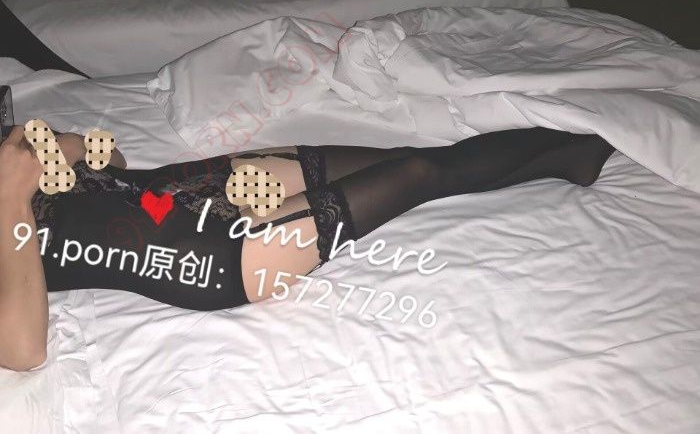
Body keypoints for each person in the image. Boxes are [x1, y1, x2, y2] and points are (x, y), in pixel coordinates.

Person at [0, 124, 616, 371]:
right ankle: (579, 149)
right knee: (418, 175)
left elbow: (113, 161)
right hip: (207, 254)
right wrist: (13, 196)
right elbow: (24, 351)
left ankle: (566, 156)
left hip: (185, 185)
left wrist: (58, 147)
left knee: (405, 157)